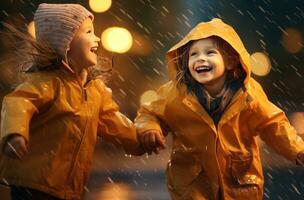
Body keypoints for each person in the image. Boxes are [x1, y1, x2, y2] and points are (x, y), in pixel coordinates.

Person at [135, 18, 304, 199]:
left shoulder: (249, 94)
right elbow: (150, 113)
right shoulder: (174, 94)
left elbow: (273, 124)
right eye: (193, 54)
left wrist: (297, 149)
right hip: (193, 185)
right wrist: (150, 128)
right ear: (186, 62)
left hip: (240, 183)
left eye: (210, 52)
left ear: (231, 61)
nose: (201, 58)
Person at [0, 3, 142, 200]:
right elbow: (18, 103)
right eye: (89, 32)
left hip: (69, 189)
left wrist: (141, 139)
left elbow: (113, 122)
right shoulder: (46, 82)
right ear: (65, 44)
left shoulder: (95, 91)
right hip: (33, 186)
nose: (97, 37)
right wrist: (14, 134)